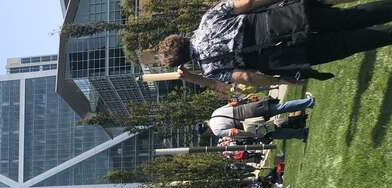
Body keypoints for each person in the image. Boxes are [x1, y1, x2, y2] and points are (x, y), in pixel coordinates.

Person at [158, 0, 392, 89]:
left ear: (183, 60)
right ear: (180, 37)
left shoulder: (210, 69)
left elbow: (247, 78)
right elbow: (248, 3)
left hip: (283, 56)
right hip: (282, 20)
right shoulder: (207, 21)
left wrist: (281, 80)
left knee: (347, 43)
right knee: (349, 17)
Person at [201, 94, 316, 141]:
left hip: (249, 123)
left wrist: (252, 134)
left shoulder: (216, 131)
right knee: (281, 107)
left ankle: (302, 134)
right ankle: (308, 102)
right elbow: (233, 104)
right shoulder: (215, 112)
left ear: (206, 131)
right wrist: (246, 99)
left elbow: (234, 131)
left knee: (274, 133)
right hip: (251, 109)